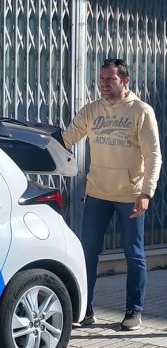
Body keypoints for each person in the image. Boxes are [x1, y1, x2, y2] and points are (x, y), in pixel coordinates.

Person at [62, 58, 162, 331]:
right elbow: (67, 139)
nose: (104, 84)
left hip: (130, 196)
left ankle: (133, 311)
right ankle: (85, 309)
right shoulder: (92, 110)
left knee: (134, 254)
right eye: (101, 79)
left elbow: (153, 156)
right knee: (87, 253)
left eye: (110, 79)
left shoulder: (141, 111)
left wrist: (146, 192)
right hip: (97, 194)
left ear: (125, 81)